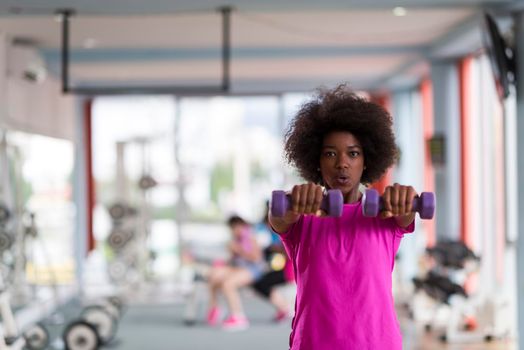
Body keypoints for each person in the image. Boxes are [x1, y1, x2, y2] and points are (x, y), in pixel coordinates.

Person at [268, 84, 419, 349]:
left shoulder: (387, 213)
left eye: (353, 153)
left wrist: (405, 198)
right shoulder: (301, 215)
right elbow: (278, 216)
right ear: (316, 161)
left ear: (367, 160)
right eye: (330, 154)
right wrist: (297, 200)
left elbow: (406, 215)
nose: (342, 163)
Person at [207, 215, 265, 331]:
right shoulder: (235, 239)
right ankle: (215, 307)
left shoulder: (251, 237)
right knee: (214, 274)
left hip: (253, 269)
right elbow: (234, 260)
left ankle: (239, 317)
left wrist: (238, 250)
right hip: (239, 268)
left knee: (228, 284)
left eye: (236, 227)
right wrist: (230, 255)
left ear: (242, 226)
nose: (234, 230)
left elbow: (256, 258)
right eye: (232, 228)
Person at [252, 205, 294, 322]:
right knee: (260, 283)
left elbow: (286, 251)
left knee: (261, 283)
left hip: (289, 271)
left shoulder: (283, 233)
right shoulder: (272, 235)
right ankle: (283, 308)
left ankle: (285, 308)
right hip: (284, 268)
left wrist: (272, 248)